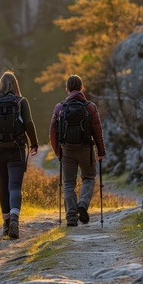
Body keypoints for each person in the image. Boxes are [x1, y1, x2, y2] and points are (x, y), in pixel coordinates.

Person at [0, 70, 39, 239]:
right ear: (15, 85)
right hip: (17, 149)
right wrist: (34, 143)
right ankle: (14, 219)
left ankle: (6, 225)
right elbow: (28, 123)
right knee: (14, 186)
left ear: (0, 85)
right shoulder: (22, 101)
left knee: (3, 187)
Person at [50, 74, 106, 226]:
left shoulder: (59, 108)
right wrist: (100, 152)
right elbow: (97, 132)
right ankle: (82, 204)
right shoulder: (90, 107)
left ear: (67, 89)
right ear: (82, 88)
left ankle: (71, 217)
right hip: (86, 149)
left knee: (68, 183)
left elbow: (53, 132)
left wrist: (58, 152)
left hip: (67, 150)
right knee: (88, 178)